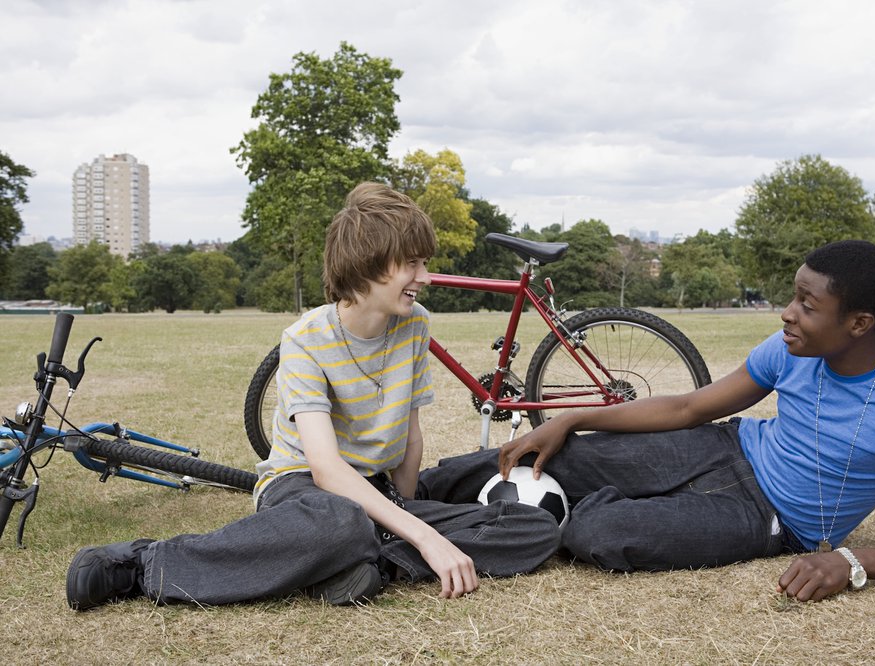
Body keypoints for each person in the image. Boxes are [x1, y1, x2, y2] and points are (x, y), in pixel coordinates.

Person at [66, 183, 560, 611]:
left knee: (532, 527)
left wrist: (409, 513)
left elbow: (410, 432)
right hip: (304, 490)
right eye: (411, 264)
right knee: (340, 522)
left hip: (379, 492)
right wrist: (425, 536)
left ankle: (368, 565)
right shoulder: (304, 340)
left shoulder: (415, 324)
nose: (425, 278)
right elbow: (324, 469)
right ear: (368, 264)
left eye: (424, 263)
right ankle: (143, 564)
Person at [417, 240, 875, 602]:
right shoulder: (791, 347)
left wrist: (854, 562)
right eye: (793, 297)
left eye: (807, 305)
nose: (787, 313)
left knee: (602, 534)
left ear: (859, 323)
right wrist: (573, 419)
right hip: (722, 447)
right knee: (551, 455)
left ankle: (475, 528)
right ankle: (392, 499)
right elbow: (690, 408)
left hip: (772, 519)